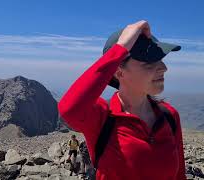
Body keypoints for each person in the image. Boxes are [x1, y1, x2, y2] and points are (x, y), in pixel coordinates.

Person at [58, 20, 186, 180]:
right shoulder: (102, 117)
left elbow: (179, 175)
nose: (163, 68)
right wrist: (121, 47)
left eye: (160, 59)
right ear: (119, 72)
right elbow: (69, 109)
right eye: (148, 63)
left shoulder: (169, 115)